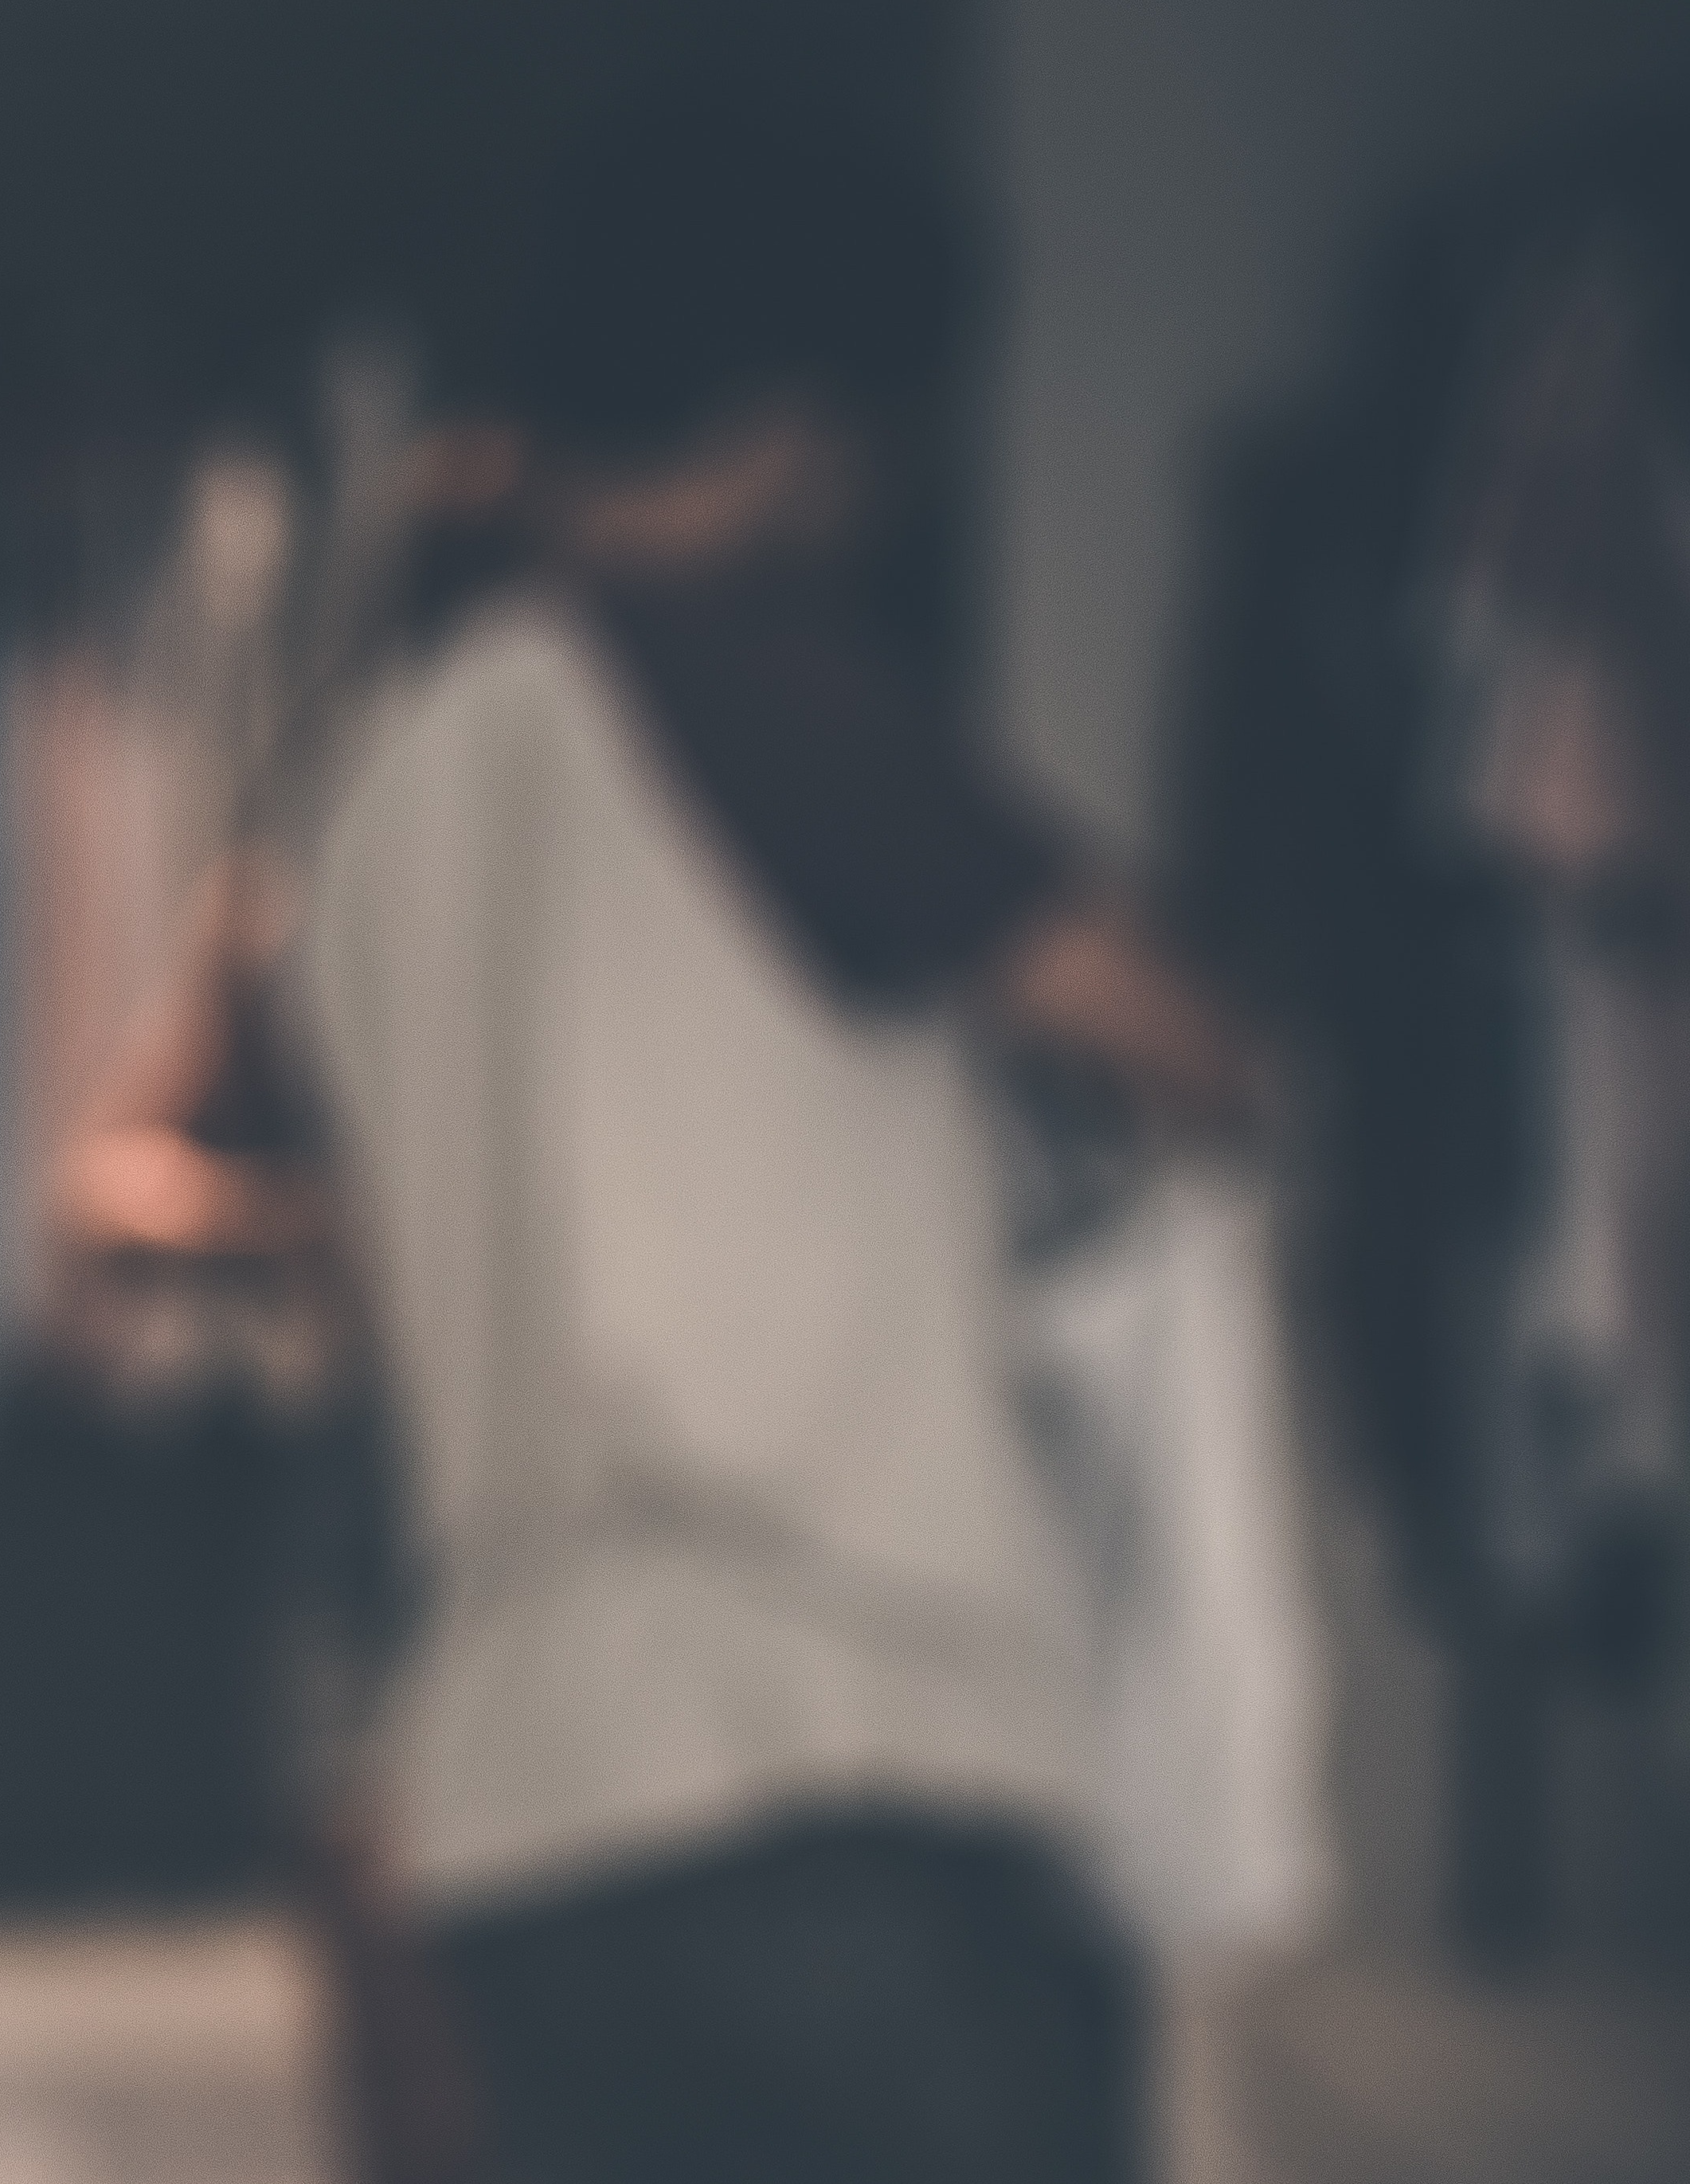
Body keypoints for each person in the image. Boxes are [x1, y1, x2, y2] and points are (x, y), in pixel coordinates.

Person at [284, 93, 1250, 2184]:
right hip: (834, 1757)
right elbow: (1181, 1037)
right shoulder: (766, 693)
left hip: (521, 1808)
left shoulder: (382, 788)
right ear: (815, 425)